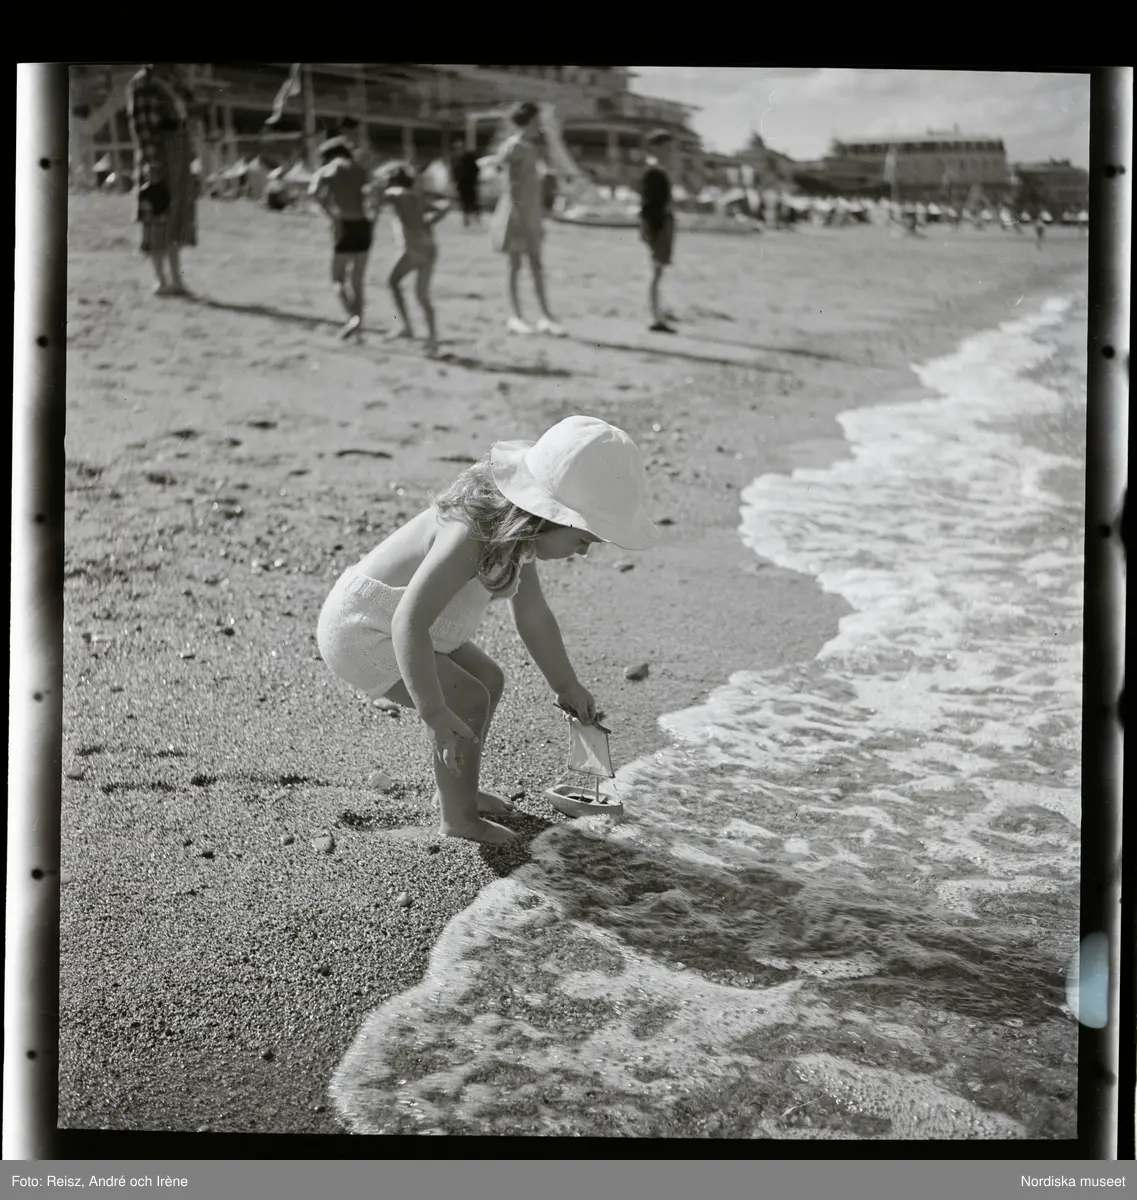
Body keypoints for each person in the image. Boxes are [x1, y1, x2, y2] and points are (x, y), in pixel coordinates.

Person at [316, 416, 657, 845]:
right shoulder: (470, 534)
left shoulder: (519, 535)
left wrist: (566, 685)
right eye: (584, 540)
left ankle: (457, 791)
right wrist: (434, 714)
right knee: (467, 699)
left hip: (415, 628)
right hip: (366, 630)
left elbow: (532, 615)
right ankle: (458, 819)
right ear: (550, 516)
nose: (584, 553)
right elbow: (408, 620)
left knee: (489, 680)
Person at [489, 102, 565, 337]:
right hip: (516, 214)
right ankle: (516, 316)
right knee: (515, 266)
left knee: (536, 265)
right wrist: (519, 218)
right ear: (530, 120)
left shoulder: (531, 147)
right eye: (538, 119)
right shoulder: (514, 147)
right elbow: (511, 187)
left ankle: (546, 316)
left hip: (531, 213)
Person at [125, 62, 200, 297]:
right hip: (159, 150)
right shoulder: (142, 82)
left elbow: (190, 112)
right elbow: (141, 127)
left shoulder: (174, 80)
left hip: (180, 148)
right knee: (158, 213)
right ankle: (160, 280)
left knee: (178, 214)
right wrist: (151, 161)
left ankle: (177, 279)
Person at [374, 161, 450, 355]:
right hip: (429, 248)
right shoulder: (414, 197)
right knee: (422, 296)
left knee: (393, 282)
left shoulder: (397, 193)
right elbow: (444, 208)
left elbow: (384, 196)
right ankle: (432, 339)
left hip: (412, 249)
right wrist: (428, 224)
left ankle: (407, 326)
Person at [308, 136, 376, 341]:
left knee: (337, 278)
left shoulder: (328, 170)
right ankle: (359, 330)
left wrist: (330, 213)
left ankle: (353, 318)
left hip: (344, 224)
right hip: (363, 225)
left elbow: (313, 193)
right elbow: (373, 194)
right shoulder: (360, 170)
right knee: (357, 280)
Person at [639, 130, 679, 333]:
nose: (670, 152)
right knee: (656, 272)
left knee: (658, 272)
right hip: (658, 226)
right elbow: (649, 207)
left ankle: (659, 311)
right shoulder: (654, 172)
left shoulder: (658, 170)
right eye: (667, 148)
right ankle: (656, 316)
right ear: (657, 148)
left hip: (660, 225)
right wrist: (653, 233)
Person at [451, 139, 481, 227]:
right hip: (461, 184)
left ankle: (477, 217)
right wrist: (454, 182)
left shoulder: (469, 157)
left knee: (473, 200)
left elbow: (476, 169)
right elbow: (454, 172)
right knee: (463, 202)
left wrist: (475, 180)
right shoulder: (455, 159)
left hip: (470, 183)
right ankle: (466, 219)